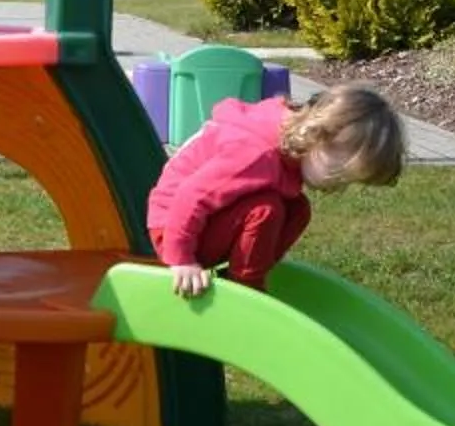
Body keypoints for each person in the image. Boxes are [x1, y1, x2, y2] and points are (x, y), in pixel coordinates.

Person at [147, 83, 404, 296]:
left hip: (199, 223)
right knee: (264, 210)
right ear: (317, 134)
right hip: (173, 228)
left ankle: (249, 268)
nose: (337, 186)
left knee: (297, 209)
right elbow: (191, 196)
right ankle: (246, 285)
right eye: (339, 175)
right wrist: (182, 260)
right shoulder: (256, 155)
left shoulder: (289, 141)